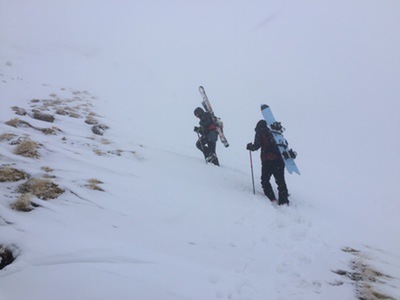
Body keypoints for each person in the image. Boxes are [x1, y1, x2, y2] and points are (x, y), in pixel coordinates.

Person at [246, 120, 289, 205]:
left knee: (265, 180)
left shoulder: (260, 132)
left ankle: (272, 199)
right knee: (280, 181)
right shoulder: (276, 132)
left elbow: (256, 146)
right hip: (279, 160)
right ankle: (284, 201)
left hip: (268, 161)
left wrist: (249, 146)